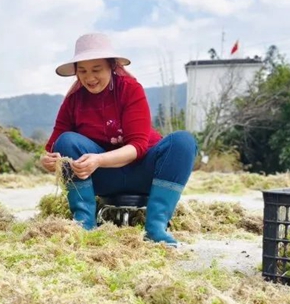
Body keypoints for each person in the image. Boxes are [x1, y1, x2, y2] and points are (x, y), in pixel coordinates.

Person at [40, 33, 197, 246]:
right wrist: (49, 162)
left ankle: (156, 227)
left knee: (183, 142)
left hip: (144, 172)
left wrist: (98, 160)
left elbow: (139, 146)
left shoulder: (130, 90)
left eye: (97, 69)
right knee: (67, 141)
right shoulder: (73, 101)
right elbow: (53, 147)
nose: (90, 77)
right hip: (102, 178)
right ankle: (84, 223)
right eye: (82, 71)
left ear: (112, 67)